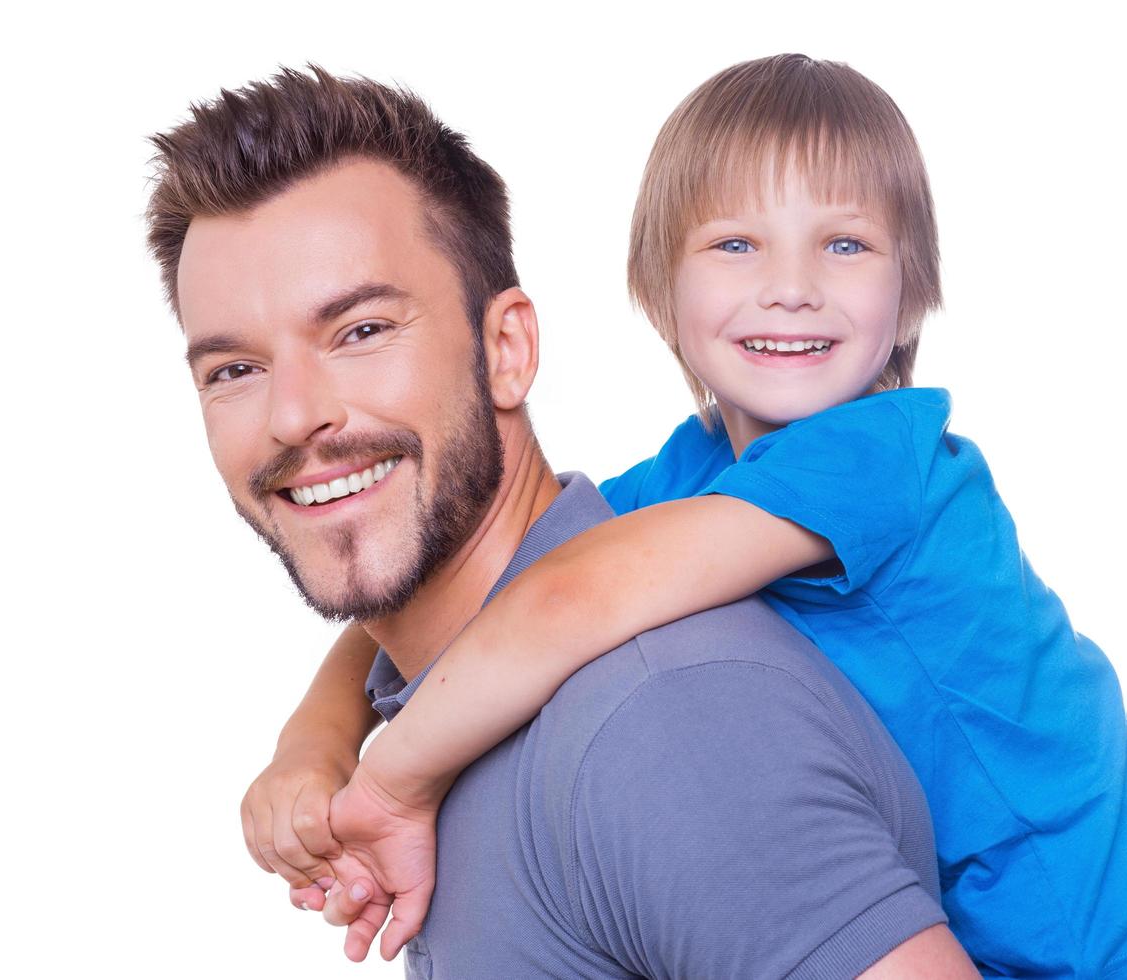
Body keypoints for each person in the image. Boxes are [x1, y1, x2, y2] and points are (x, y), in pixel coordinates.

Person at [239, 56, 1127, 979]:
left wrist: (392, 781)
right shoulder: (695, 478)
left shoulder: (882, 457)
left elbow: (567, 595)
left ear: (909, 294)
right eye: (735, 244)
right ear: (657, 289)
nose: (789, 289)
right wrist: (312, 743)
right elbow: (498, 593)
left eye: (845, 245)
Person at [145, 64, 978, 977]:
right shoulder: (574, 615)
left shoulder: (659, 719)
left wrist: (384, 779)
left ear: (506, 351)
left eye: (362, 332)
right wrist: (316, 739)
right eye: (233, 370)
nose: (294, 415)